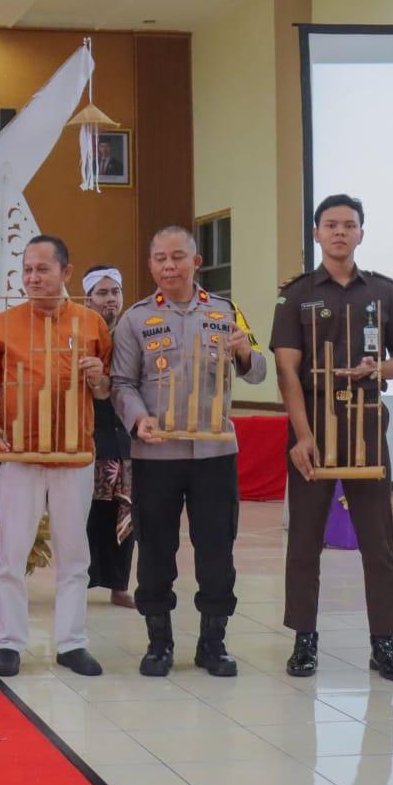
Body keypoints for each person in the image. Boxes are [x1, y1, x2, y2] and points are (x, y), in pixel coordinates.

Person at [270, 195, 393, 681]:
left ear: (360, 233)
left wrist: (380, 368)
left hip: (368, 422)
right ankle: (304, 640)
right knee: (305, 542)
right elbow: (286, 369)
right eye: (330, 225)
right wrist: (302, 433)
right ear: (316, 233)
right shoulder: (295, 294)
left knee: (378, 543)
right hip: (313, 420)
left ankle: (384, 643)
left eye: (348, 225)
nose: (339, 232)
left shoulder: (384, 292)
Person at [111, 226, 266, 677]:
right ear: (151, 265)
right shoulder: (136, 319)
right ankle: (159, 643)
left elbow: (257, 373)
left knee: (217, 549)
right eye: (160, 258)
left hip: (214, 454)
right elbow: (121, 383)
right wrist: (139, 419)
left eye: (178, 257)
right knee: (156, 549)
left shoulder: (226, 311)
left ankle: (212, 643)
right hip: (156, 455)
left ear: (196, 262)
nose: (169, 266)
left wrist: (243, 352)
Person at [0, 236, 112, 678]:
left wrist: (99, 379)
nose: (33, 278)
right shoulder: (3, 324)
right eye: (27, 269)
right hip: (18, 455)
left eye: (42, 269)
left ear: (66, 273)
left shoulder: (92, 324)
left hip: (75, 458)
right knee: (12, 554)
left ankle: (72, 644)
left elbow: (106, 389)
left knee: (74, 556)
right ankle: (9, 643)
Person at [82, 264, 136, 610]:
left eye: (114, 292)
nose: (110, 300)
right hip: (88, 439)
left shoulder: (133, 336)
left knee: (125, 513)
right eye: (102, 293)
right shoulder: (79, 335)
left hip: (126, 442)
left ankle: (119, 585)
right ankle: (81, 581)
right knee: (85, 514)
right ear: (87, 299)